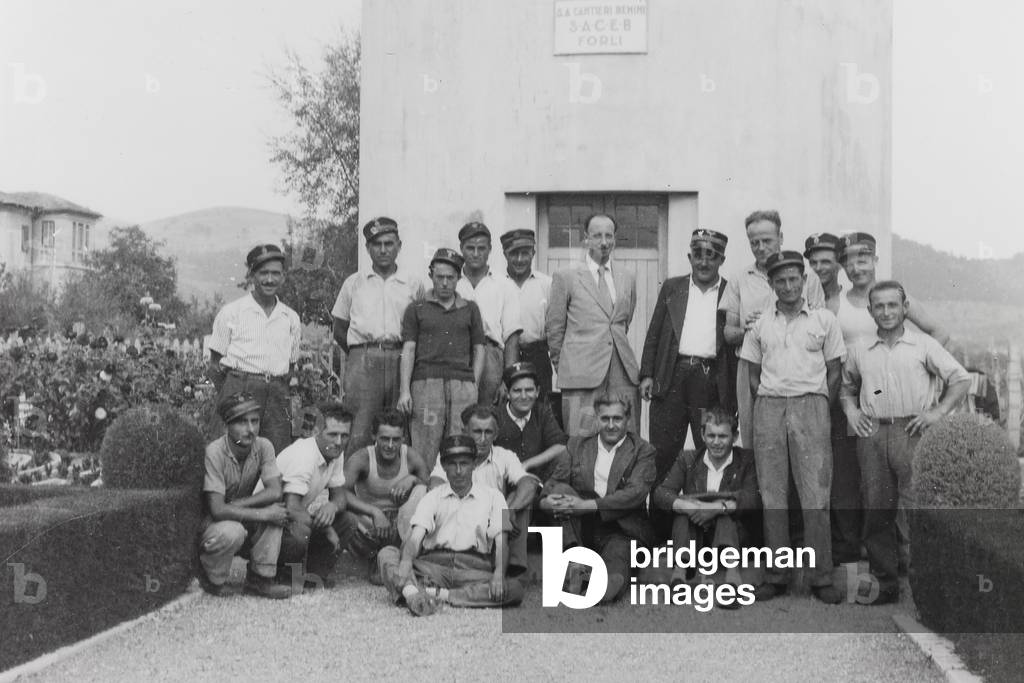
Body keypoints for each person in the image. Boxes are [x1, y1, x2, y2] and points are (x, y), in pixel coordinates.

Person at [841, 280, 970, 604]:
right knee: (877, 511)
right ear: (870, 311)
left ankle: (926, 587)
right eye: (879, 306)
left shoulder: (923, 344)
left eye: (892, 305)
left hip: (913, 433)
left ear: (904, 309)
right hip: (872, 435)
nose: (886, 312)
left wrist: (937, 412)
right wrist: (852, 411)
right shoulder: (860, 349)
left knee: (917, 511)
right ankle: (886, 584)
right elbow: (846, 387)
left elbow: (960, 379)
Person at [740, 251, 844, 604]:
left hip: (810, 405)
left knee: (815, 494)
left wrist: (813, 406)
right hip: (769, 406)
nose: (787, 286)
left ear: (803, 280)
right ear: (771, 284)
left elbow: (835, 371)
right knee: (773, 494)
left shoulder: (824, 320)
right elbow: (753, 375)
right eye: (780, 280)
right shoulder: (759, 324)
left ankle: (821, 576)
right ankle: (777, 574)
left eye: (793, 279)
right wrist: (773, 403)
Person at [377, 435, 526, 616]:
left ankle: (435, 594)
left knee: (515, 589)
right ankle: (413, 595)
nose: (458, 471)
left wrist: (499, 574)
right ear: (444, 467)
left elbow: (502, 541)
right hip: (433, 567)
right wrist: (407, 562)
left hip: (473, 570)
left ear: (473, 465)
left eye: (464, 464)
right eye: (452, 465)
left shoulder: (495, 497)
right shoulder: (432, 496)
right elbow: (415, 538)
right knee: (388, 554)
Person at [719, 210, 825, 449]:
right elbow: (728, 333)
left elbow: (821, 328)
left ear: (781, 237)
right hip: (752, 365)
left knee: (803, 443)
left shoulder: (808, 278)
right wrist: (747, 329)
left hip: (800, 367)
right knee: (756, 438)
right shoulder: (739, 278)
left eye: (766, 240)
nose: (760, 247)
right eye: (753, 242)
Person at [540, 394, 657, 603]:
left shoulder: (642, 450)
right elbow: (552, 484)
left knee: (615, 566)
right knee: (560, 490)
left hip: (622, 529)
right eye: (605, 419)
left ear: (628, 420)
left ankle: (603, 585)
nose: (611, 425)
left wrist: (587, 506)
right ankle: (575, 562)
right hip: (581, 528)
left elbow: (635, 494)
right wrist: (545, 502)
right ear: (597, 419)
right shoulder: (577, 445)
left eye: (617, 419)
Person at [640, 228, 733, 479]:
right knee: (663, 452)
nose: (704, 262)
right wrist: (647, 374)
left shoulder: (730, 292)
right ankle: (662, 515)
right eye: (698, 254)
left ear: (722, 260)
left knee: (709, 451)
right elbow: (654, 334)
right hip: (672, 376)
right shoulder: (672, 287)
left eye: (711, 256)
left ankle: (703, 514)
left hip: (709, 380)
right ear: (689, 256)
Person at [332, 217, 425, 450]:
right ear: (368, 248)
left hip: (400, 360)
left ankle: (393, 483)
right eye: (377, 244)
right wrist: (360, 353)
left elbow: (422, 326)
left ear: (399, 246)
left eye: (389, 243)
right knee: (359, 428)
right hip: (363, 360)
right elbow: (339, 326)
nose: (383, 250)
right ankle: (351, 484)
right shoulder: (354, 283)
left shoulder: (413, 283)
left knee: (398, 425)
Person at [652, 407, 760, 600]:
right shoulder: (688, 458)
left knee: (726, 518)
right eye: (711, 435)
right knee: (682, 516)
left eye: (723, 436)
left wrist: (717, 508)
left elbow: (752, 497)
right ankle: (679, 576)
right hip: (696, 540)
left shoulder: (746, 460)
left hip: (732, 540)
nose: (716, 442)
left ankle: (732, 579)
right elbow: (661, 493)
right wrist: (690, 506)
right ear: (702, 434)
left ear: (734, 437)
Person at [546, 213, 640, 436]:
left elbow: (622, 323)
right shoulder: (566, 276)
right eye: (597, 236)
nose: (604, 242)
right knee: (580, 440)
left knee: (625, 440)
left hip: (621, 371)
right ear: (586, 238)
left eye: (609, 236)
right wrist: (567, 366)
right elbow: (554, 329)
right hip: (580, 374)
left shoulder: (627, 276)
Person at [207, 244, 301, 456]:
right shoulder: (232, 313)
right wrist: (235, 386)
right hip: (240, 387)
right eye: (263, 273)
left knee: (277, 455)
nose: (269, 280)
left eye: (275, 273)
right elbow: (214, 364)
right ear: (252, 275)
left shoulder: (290, 318)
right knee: (230, 453)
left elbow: (292, 366)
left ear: (283, 276)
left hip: (277, 392)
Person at [397, 247, 485, 472]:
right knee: (425, 444)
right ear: (431, 276)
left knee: (460, 443)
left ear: (458, 278)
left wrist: (472, 383)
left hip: (462, 386)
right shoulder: (416, 309)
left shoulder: (471, 309)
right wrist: (405, 391)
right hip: (426, 385)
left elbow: (479, 349)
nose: (445, 283)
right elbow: (408, 349)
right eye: (440, 277)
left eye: (450, 278)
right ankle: (423, 495)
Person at [197, 392, 291, 599]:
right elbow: (217, 510)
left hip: (237, 511)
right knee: (234, 531)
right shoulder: (214, 452)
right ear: (227, 426)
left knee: (278, 512)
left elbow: (275, 490)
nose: (250, 429)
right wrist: (263, 514)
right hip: (211, 524)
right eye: (241, 422)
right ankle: (211, 578)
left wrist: (241, 504)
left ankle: (260, 579)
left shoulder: (264, 446)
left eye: (254, 421)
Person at [428, 404, 540, 576]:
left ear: (496, 434)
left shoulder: (504, 456)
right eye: (477, 431)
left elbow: (529, 484)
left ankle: (514, 569)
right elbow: (435, 485)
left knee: (518, 499)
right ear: (465, 431)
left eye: (488, 432)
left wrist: (508, 510)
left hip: (494, 522)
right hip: (462, 518)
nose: (482, 439)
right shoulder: (452, 454)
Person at [804, 231, 861, 569]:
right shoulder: (804, 296)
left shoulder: (849, 300)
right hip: (808, 395)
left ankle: (847, 546)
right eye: (813, 261)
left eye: (826, 260)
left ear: (839, 262)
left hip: (842, 396)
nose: (819, 267)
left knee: (844, 475)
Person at [271, 402, 355, 591]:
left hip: (289, 517)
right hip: (269, 522)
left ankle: (314, 576)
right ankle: (282, 576)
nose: (339, 441)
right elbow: (291, 508)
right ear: (317, 431)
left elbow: (340, 497)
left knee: (347, 520)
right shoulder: (304, 454)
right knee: (300, 530)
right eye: (332, 434)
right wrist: (327, 531)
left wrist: (332, 506)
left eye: (345, 435)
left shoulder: (335, 452)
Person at [342, 409, 430, 582]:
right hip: (371, 526)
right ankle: (375, 561)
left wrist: (413, 479)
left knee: (421, 491)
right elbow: (340, 492)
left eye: (396, 439)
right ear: (374, 436)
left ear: (403, 438)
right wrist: (374, 512)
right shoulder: (362, 458)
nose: (390, 445)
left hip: (401, 527)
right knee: (345, 518)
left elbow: (432, 489)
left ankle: (402, 559)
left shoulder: (410, 456)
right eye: (384, 438)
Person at [837, 232, 950, 347]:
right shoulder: (837, 302)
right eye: (849, 264)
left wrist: (920, 362)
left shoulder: (895, 295)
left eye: (861, 262)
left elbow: (941, 333)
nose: (855, 269)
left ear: (874, 261)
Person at [456, 222, 522, 405]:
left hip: (491, 357)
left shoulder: (505, 285)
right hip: (458, 356)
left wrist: (507, 380)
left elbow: (512, 339)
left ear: (490, 249)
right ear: (461, 248)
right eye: (470, 248)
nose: (476, 254)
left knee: (488, 417)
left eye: (481, 248)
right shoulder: (452, 283)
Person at [494, 361, 568, 484]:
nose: (524, 396)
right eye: (517, 390)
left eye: (529, 390)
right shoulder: (496, 416)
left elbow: (560, 445)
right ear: (507, 393)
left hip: (537, 478)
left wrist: (527, 464)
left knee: (565, 456)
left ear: (537, 391)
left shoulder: (541, 412)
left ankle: (545, 495)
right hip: (504, 480)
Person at [501, 229, 554, 397]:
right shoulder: (497, 284)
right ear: (504, 254)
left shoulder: (546, 284)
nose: (519, 259)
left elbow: (554, 326)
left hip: (537, 357)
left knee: (540, 409)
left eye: (525, 253)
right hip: (503, 358)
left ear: (533, 253)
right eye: (513, 254)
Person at [804, 233, 843, 315]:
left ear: (840, 264)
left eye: (825, 262)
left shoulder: (850, 300)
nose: (818, 268)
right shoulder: (801, 300)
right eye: (813, 263)